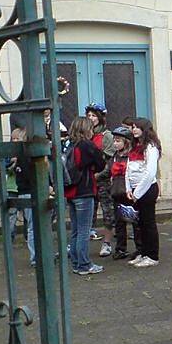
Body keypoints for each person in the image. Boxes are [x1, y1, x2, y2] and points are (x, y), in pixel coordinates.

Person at [65, 117, 106, 275]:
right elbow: (101, 163)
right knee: (84, 230)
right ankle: (84, 264)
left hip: (71, 191)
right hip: (84, 190)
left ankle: (76, 263)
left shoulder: (69, 144)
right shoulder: (87, 145)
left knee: (75, 230)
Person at [126, 118, 162, 268]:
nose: (134, 130)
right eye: (133, 127)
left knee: (148, 223)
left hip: (146, 190)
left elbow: (149, 173)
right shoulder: (135, 146)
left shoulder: (151, 147)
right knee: (139, 224)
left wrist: (137, 193)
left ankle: (152, 255)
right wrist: (128, 188)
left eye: (137, 127)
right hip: (134, 190)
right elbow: (128, 168)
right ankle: (143, 252)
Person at [106, 126, 141, 261]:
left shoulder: (132, 156)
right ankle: (121, 248)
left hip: (129, 192)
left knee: (135, 221)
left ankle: (139, 248)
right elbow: (108, 171)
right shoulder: (114, 157)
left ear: (126, 142)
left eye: (118, 141)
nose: (115, 144)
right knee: (119, 222)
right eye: (114, 141)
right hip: (116, 192)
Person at [85, 103, 116, 257]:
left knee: (107, 212)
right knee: (88, 212)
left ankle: (107, 243)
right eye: (89, 115)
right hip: (88, 180)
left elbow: (109, 161)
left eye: (94, 116)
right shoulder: (86, 135)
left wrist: (98, 175)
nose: (91, 118)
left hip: (103, 180)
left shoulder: (107, 136)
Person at [7, 127, 36, 266]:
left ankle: (36, 255)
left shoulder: (20, 156)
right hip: (28, 191)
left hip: (24, 191)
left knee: (32, 225)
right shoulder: (23, 156)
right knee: (32, 226)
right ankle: (35, 257)